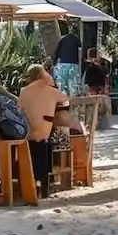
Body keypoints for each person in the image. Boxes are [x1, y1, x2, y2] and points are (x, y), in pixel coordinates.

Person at [19, 64, 81, 198]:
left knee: (39, 145)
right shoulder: (50, 90)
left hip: (27, 133)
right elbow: (66, 101)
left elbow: (20, 109)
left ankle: (36, 185)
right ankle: (46, 185)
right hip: (44, 133)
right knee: (54, 134)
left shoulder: (24, 91)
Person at [53, 24, 83, 96]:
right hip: (74, 65)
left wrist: (54, 63)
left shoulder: (62, 40)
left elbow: (56, 53)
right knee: (74, 88)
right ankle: (73, 104)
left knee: (62, 88)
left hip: (62, 65)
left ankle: (64, 104)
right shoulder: (77, 40)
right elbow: (80, 53)